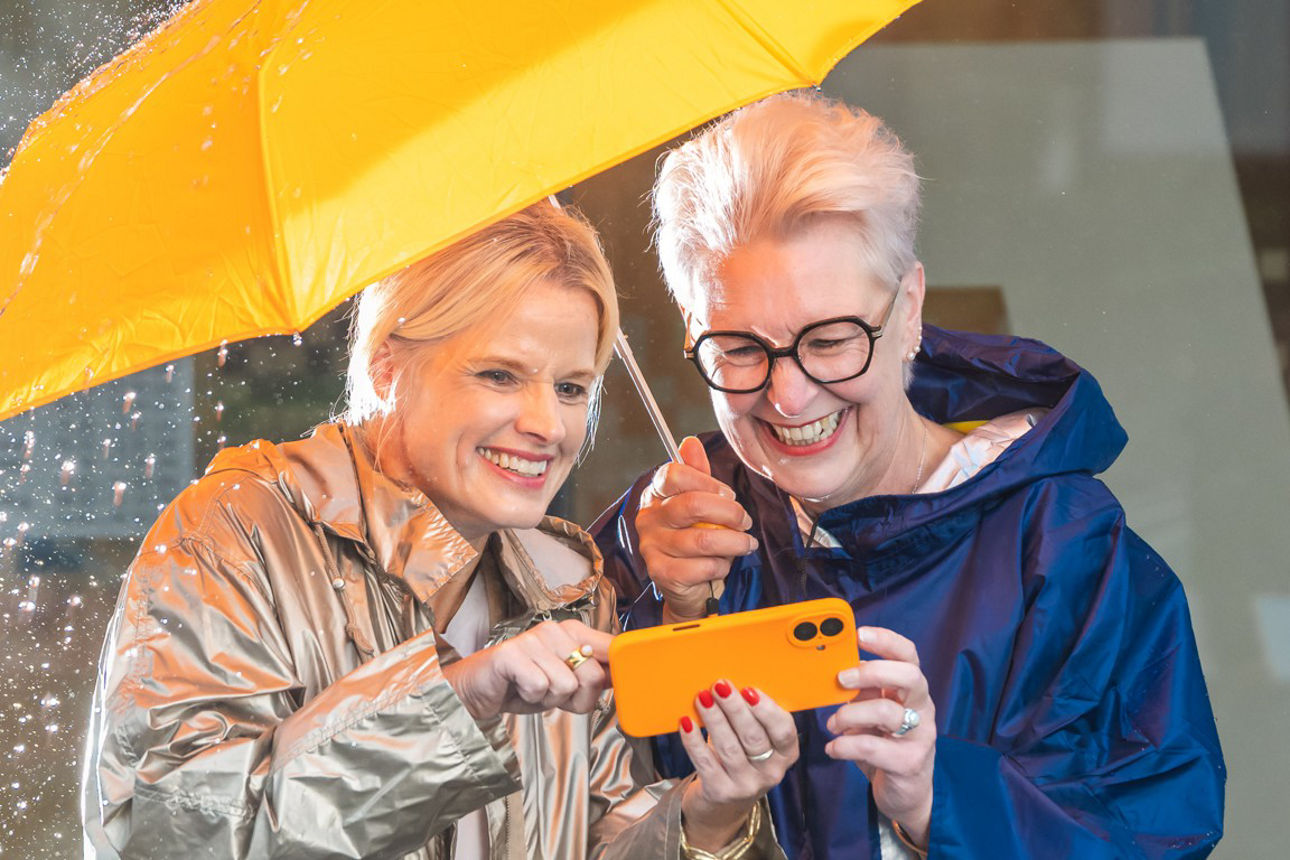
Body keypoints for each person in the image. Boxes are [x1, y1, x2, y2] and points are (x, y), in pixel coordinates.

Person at [592, 93, 1225, 858]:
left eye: (830, 340)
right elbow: (566, 816)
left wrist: (938, 802)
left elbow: (1160, 833)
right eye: (739, 348)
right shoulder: (665, 536)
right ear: (696, 337)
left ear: (911, 311)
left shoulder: (1062, 546)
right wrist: (663, 619)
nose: (788, 397)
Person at [81, 203, 799, 859]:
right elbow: (166, 837)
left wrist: (710, 814)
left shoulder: (566, 579)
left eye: (572, 386)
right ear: (389, 366)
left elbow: (601, 833)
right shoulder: (232, 534)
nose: (547, 425)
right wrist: (461, 698)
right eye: (499, 375)